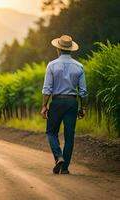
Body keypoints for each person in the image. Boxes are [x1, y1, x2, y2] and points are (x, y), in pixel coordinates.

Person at [40, 35, 88, 174]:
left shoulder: (52, 65)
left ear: (58, 49)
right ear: (71, 50)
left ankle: (58, 156)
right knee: (69, 136)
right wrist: (83, 108)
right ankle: (65, 168)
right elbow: (83, 92)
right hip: (72, 103)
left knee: (51, 132)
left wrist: (44, 105)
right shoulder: (79, 67)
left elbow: (47, 89)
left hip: (57, 102)